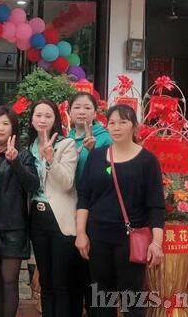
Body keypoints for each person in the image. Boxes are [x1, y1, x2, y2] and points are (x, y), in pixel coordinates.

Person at [76, 105, 165, 317]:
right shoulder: (96, 157)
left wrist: (156, 243)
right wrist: (80, 233)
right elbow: (84, 197)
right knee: (101, 298)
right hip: (98, 237)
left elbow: (156, 206)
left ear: (134, 127)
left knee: (132, 299)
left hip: (131, 239)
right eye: (112, 123)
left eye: (123, 122)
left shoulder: (147, 161)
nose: (116, 127)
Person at [0, 106, 39, 317]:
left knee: (9, 281)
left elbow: (32, 185)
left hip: (13, 226)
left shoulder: (23, 155)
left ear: (13, 127)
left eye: (5, 123)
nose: (0, 128)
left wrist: (15, 161)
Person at [28, 99, 80, 317]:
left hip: (59, 217)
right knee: (46, 282)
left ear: (56, 119)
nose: (42, 120)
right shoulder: (29, 146)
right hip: (37, 216)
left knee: (61, 282)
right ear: (32, 119)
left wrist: (51, 160)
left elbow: (67, 183)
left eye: (48, 116)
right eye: (38, 115)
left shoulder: (66, 144)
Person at [68, 93, 112, 315]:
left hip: (95, 211)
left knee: (93, 274)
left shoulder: (105, 139)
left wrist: (95, 153)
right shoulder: (64, 139)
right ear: (69, 112)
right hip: (67, 211)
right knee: (73, 274)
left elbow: (113, 173)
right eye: (77, 107)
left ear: (95, 113)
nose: (82, 112)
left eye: (87, 108)